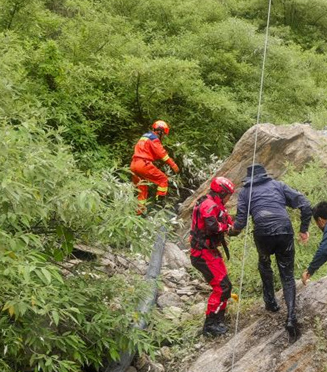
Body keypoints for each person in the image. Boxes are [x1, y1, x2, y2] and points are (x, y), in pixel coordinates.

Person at [230, 164, 312, 338]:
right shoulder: (278, 186)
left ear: (249, 179)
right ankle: (291, 317)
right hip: (284, 230)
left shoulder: (245, 192)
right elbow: (305, 203)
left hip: (262, 233)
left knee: (264, 263)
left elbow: (240, 224)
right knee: (287, 275)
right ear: (265, 176)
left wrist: (229, 232)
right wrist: (304, 229)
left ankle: (271, 303)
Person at [189, 177, 235, 337]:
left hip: (210, 251)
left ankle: (218, 319)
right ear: (221, 193)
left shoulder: (217, 204)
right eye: (228, 195)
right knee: (222, 287)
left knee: (226, 286)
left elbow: (228, 222)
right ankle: (210, 325)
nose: (229, 198)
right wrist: (227, 227)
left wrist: (234, 226)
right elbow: (213, 226)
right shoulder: (208, 204)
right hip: (202, 253)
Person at [129, 120, 180, 211]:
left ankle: (139, 213)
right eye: (163, 134)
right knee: (163, 179)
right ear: (160, 131)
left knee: (142, 189)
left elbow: (149, 152)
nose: (163, 136)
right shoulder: (154, 139)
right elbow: (162, 154)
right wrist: (173, 165)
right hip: (143, 164)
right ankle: (159, 205)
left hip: (133, 164)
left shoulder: (144, 137)